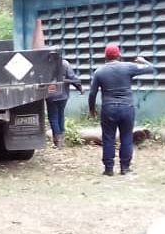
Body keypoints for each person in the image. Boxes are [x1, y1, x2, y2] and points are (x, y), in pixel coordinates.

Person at [88, 44, 156, 176]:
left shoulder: (99, 72)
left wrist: (92, 109)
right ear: (119, 55)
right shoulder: (128, 67)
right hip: (126, 107)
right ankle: (125, 168)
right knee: (126, 137)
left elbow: (92, 93)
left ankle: (108, 169)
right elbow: (151, 68)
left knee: (108, 138)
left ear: (105, 57)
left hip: (108, 108)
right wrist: (143, 61)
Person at [46, 58, 83, 148]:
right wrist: (80, 88)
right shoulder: (65, 63)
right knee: (60, 115)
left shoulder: (45, 64)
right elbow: (72, 77)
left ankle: (57, 140)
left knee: (53, 117)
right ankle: (62, 139)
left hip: (51, 95)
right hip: (63, 95)